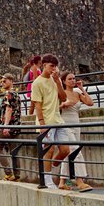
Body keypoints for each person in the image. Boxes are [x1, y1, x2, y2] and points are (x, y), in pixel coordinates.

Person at [30, 54, 73, 189]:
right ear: (44, 65)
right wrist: (42, 124)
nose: (54, 69)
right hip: (46, 121)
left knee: (65, 150)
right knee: (48, 150)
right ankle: (47, 181)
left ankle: (50, 166)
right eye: (51, 66)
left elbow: (63, 97)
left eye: (55, 66)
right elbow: (37, 105)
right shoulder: (37, 83)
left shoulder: (55, 80)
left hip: (58, 120)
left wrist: (58, 82)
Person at [58, 73, 94, 192]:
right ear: (64, 81)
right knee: (75, 150)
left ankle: (62, 181)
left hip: (76, 125)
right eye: (70, 79)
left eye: (74, 78)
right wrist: (64, 104)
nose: (73, 80)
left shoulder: (77, 94)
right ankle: (80, 180)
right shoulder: (62, 93)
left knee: (69, 152)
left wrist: (82, 88)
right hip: (65, 124)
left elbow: (90, 103)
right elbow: (55, 108)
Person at [0, 73, 22, 181]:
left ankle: (8, 173)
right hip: (16, 126)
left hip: (8, 126)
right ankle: (17, 176)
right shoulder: (16, 94)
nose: (2, 83)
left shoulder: (9, 93)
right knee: (14, 151)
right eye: (1, 81)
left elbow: (9, 109)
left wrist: (5, 126)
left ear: (11, 81)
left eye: (4, 81)